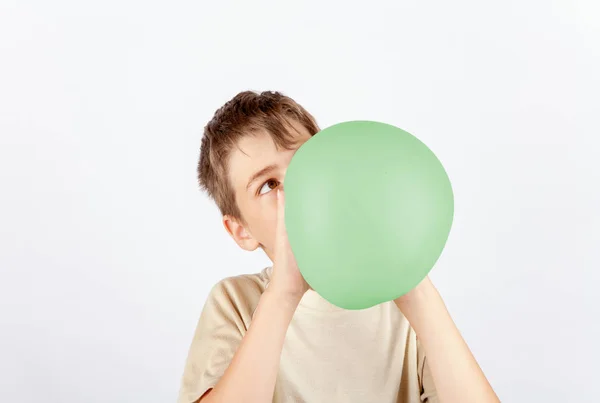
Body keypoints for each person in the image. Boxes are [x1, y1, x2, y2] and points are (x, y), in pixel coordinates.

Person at [177, 90, 499, 403]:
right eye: (269, 185)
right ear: (241, 231)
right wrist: (283, 295)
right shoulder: (235, 303)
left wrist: (415, 290)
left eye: (307, 165)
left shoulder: (400, 311)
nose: (298, 193)